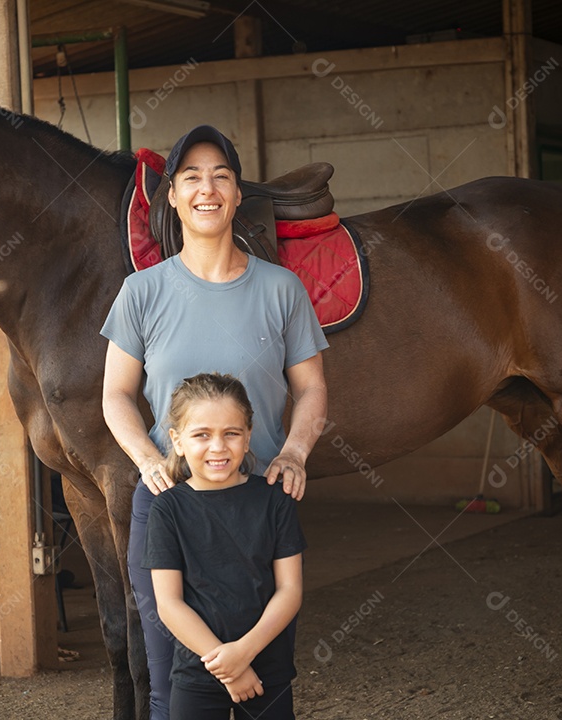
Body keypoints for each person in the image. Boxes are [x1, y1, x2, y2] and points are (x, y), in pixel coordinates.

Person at [101, 124, 328, 719]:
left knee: (265, 682)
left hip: (256, 503)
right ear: (171, 196)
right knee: (168, 683)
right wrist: (148, 459)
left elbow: (312, 390)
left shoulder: (282, 289)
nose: (208, 189)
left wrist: (296, 452)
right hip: (170, 501)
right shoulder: (140, 291)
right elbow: (115, 396)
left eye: (221, 176)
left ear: (237, 195)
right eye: (191, 178)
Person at [145, 373, 304, 719]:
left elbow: (290, 590)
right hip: (197, 674)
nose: (218, 447)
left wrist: (243, 654)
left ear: (248, 438)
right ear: (178, 441)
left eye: (231, 433)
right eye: (202, 434)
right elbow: (169, 604)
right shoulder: (168, 509)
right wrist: (227, 665)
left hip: (267, 669)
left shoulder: (274, 501)